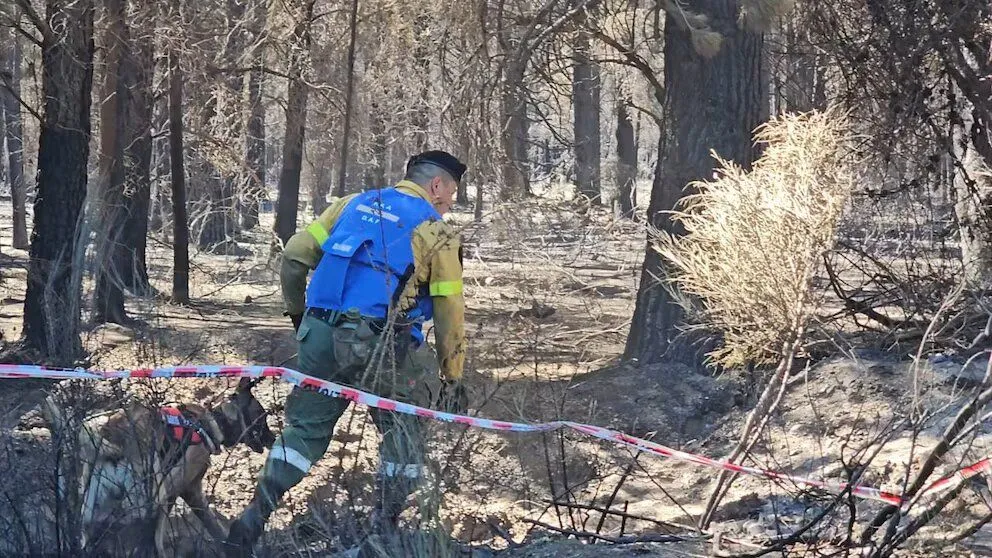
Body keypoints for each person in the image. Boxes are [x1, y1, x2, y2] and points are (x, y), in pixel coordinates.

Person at [225, 150, 469, 554]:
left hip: (319, 335)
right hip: (384, 346)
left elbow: (293, 257)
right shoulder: (437, 232)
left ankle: (254, 516)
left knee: (303, 431)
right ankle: (384, 528)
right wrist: (453, 375)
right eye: (451, 193)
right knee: (404, 431)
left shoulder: (351, 204)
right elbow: (449, 312)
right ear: (436, 185)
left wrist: (301, 317)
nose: (450, 202)